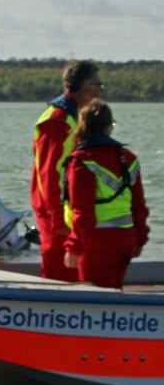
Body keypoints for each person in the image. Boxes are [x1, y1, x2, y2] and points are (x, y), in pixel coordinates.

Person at [63, 100, 150, 288]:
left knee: (95, 302)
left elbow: (83, 210)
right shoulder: (128, 157)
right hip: (126, 239)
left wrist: (73, 247)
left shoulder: (82, 160)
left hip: (97, 242)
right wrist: (140, 239)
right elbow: (139, 206)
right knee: (114, 295)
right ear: (109, 126)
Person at [32, 60, 103, 281]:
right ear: (86, 88)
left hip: (69, 208)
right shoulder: (58, 120)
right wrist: (55, 215)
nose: (101, 90)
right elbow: (48, 172)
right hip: (55, 209)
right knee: (59, 271)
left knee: (76, 269)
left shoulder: (75, 116)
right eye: (99, 84)